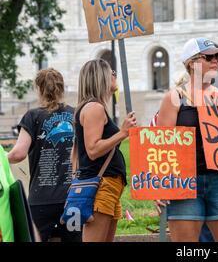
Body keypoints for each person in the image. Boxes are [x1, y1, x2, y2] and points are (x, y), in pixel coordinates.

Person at [155, 37, 218, 242]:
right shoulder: (174, 98)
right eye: (209, 57)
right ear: (192, 62)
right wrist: (159, 186)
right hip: (184, 183)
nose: (216, 61)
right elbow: (161, 145)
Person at [7, 68, 81, 242]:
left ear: (39, 89)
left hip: (41, 201)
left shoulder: (32, 116)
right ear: (62, 88)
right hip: (73, 198)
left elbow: (18, 153)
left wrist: (3, 157)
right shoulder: (75, 114)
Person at [74, 59, 136, 242]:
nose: (115, 75)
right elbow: (93, 149)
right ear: (100, 77)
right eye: (111, 72)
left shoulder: (93, 107)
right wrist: (123, 133)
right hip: (102, 185)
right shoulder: (94, 108)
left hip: (108, 185)